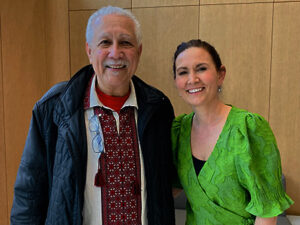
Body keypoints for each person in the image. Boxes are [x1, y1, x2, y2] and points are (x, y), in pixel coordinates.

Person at [10, 6, 175, 225]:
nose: (115, 53)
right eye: (105, 42)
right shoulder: (54, 109)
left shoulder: (158, 109)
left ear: (139, 51)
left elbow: (169, 185)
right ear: (89, 50)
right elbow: (29, 194)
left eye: (126, 42)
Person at [171, 39, 293, 225]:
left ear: (220, 75)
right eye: (183, 72)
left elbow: (266, 212)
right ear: (176, 81)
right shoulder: (179, 131)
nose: (192, 79)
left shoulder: (248, 128)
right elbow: (172, 187)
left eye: (201, 69)